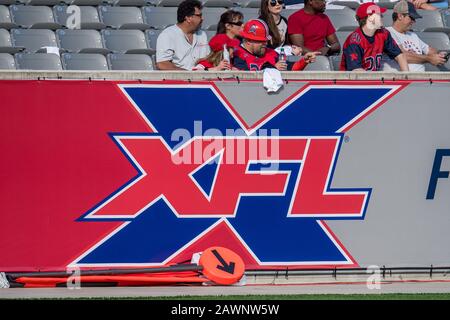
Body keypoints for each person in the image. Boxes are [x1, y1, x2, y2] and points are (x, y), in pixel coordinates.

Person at [340, 2, 409, 71]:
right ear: (370, 18)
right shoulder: (354, 41)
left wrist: (407, 77)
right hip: (351, 80)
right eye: (379, 15)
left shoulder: (383, 33)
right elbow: (356, 71)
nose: (382, 16)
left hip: (373, 79)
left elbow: (400, 56)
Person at [383, 0, 447, 71]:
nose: (414, 21)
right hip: (399, 79)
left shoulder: (412, 35)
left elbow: (429, 50)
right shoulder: (387, 33)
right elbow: (403, 55)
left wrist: (439, 54)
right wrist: (429, 59)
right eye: (412, 18)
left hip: (420, 79)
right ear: (400, 16)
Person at [232, 19, 319, 71]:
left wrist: (304, 61)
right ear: (248, 41)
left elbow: (290, 67)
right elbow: (244, 76)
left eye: (265, 41)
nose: (265, 44)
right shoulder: (236, 54)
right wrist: (273, 69)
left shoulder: (271, 53)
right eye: (261, 41)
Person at [156, 0, 210, 70]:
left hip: (201, 78)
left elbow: (207, 59)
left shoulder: (202, 34)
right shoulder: (167, 35)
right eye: (199, 15)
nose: (202, 18)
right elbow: (162, 64)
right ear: (188, 18)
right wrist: (188, 75)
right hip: (178, 79)